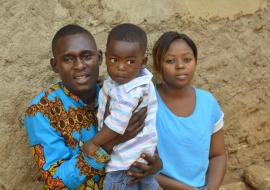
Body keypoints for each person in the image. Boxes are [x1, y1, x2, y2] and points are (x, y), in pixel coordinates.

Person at [24, 24, 162, 190]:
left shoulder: (121, 93)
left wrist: (155, 165)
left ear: (100, 58)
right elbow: (55, 183)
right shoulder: (41, 111)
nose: (80, 65)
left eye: (87, 56)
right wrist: (108, 144)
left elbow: (147, 140)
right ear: (55, 65)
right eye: (68, 59)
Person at [84, 23, 159, 190]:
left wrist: (94, 143)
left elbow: (117, 125)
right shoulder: (139, 81)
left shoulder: (131, 92)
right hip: (141, 161)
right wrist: (108, 83)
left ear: (143, 62)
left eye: (130, 61)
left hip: (123, 166)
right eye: (114, 60)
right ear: (106, 57)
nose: (121, 67)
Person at [152, 32, 227, 190]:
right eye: (170, 61)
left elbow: (218, 155)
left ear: (195, 61)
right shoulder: (148, 102)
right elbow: (138, 165)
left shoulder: (208, 103)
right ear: (158, 66)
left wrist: (211, 187)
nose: (180, 66)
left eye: (187, 59)